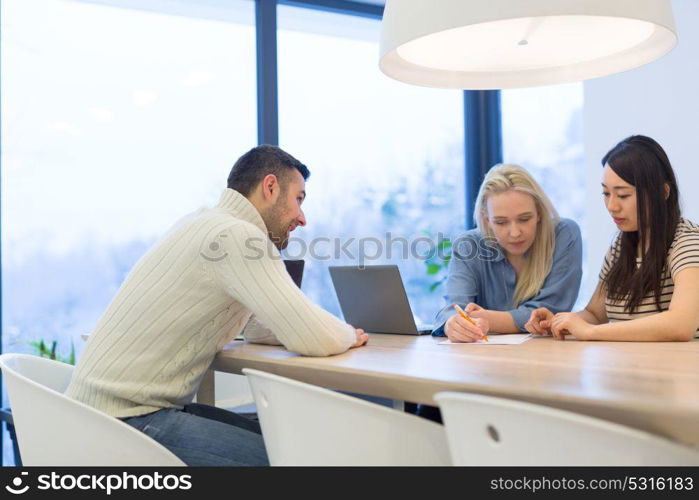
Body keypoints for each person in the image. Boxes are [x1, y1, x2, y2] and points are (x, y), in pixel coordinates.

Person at [65, 145, 369, 465]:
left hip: (100, 416)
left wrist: (317, 328)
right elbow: (314, 338)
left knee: (289, 445)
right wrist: (349, 334)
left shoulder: (202, 223)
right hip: (125, 423)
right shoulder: (236, 236)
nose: (302, 218)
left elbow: (254, 326)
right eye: (299, 199)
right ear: (270, 187)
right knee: (293, 460)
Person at [526, 135, 699, 341]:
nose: (611, 206)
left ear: (663, 192)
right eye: (606, 193)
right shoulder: (621, 245)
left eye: (623, 195)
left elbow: (680, 325)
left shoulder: (687, 243)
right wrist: (559, 322)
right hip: (625, 367)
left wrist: (590, 332)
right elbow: (595, 314)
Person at [433, 164, 583, 342]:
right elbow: (454, 308)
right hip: (483, 360)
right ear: (487, 219)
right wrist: (453, 324)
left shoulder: (564, 234)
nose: (515, 233)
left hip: (546, 357)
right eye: (501, 222)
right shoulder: (468, 245)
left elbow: (551, 311)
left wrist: (488, 319)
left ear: (539, 213)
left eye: (524, 219)